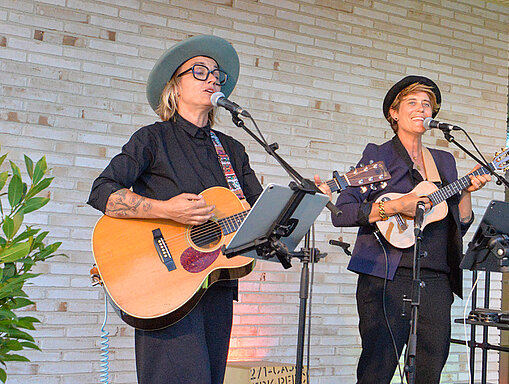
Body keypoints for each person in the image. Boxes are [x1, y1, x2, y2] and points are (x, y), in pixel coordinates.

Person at [87, 35, 329, 384]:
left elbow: (259, 217)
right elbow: (102, 192)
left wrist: (304, 201)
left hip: (216, 287)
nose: (213, 79)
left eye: (217, 74)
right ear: (176, 84)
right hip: (163, 287)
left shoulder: (231, 149)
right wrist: (167, 210)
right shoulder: (152, 139)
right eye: (200, 71)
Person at [331, 75, 490, 384]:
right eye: (412, 103)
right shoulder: (378, 156)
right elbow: (343, 212)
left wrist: (468, 190)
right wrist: (394, 207)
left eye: (426, 105)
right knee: (377, 369)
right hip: (385, 277)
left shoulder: (443, 161)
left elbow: (459, 224)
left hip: (436, 278)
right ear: (394, 112)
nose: (421, 109)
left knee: (430, 372)